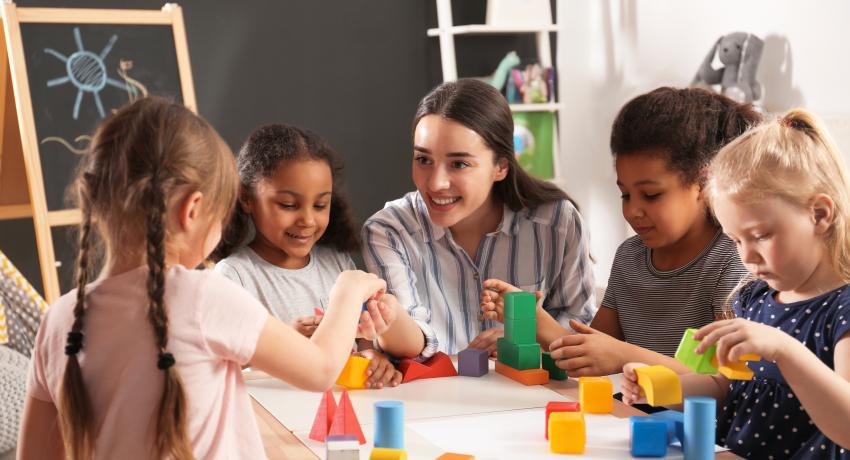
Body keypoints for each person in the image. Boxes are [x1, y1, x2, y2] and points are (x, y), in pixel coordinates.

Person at [17, 97, 386, 459]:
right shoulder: (205, 297)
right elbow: (321, 370)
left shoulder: (60, 319)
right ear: (192, 210)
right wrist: (350, 288)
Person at [484, 87, 758, 377]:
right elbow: (590, 351)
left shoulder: (731, 263)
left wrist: (625, 356)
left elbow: (726, 384)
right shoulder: (630, 257)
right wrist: (535, 322)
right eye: (625, 195)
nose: (633, 211)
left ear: (705, 184)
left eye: (651, 195)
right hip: (628, 417)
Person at [623, 109, 850, 458]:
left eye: (760, 235)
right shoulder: (752, 298)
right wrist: (662, 386)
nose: (748, 257)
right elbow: (722, 385)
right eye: (735, 240)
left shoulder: (842, 310)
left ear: (819, 214)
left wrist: (785, 350)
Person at [363, 78, 597, 355]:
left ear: (500, 167)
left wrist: (523, 339)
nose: (436, 183)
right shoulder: (388, 231)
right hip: (433, 396)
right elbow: (409, 340)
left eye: (459, 164)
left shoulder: (557, 222)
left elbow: (580, 330)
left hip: (539, 393)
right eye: (424, 160)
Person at [214, 124, 431, 387]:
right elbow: (223, 361)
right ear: (247, 199)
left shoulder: (337, 264)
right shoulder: (234, 275)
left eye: (320, 205)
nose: (307, 220)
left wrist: (371, 355)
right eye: (288, 205)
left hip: (342, 408)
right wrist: (287, 340)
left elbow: (363, 338)